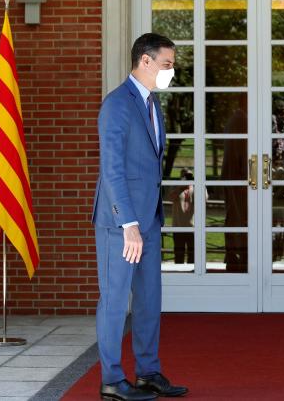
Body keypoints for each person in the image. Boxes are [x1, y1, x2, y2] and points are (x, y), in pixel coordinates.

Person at [92, 32, 188, 401]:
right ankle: (112, 380)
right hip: (122, 225)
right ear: (144, 61)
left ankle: (148, 372)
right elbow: (112, 169)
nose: (171, 70)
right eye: (167, 64)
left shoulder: (152, 103)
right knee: (115, 302)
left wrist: (145, 222)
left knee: (149, 300)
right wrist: (128, 223)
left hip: (149, 220)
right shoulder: (117, 104)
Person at [171, 168, 195, 265]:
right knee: (179, 253)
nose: (187, 178)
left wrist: (196, 183)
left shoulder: (195, 187)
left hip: (193, 226)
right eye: (185, 176)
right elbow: (171, 197)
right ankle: (178, 272)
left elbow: (204, 198)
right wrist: (180, 187)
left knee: (193, 254)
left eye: (189, 176)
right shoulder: (176, 187)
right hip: (178, 226)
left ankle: (192, 275)